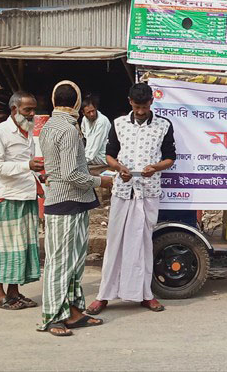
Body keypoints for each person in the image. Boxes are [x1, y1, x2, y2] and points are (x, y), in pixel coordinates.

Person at [87, 83, 176, 315]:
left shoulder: (163, 125)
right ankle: (103, 295)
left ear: (151, 103)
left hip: (148, 190)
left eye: (144, 107)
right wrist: (119, 168)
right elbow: (109, 155)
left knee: (144, 243)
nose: (140, 111)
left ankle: (145, 295)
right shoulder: (118, 124)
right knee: (115, 243)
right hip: (123, 190)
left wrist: (154, 168)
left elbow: (170, 158)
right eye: (137, 107)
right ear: (130, 102)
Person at [38, 81, 112, 336]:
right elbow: (71, 173)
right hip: (65, 200)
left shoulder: (50, 125)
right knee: (60, 263)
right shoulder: (68, 130)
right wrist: (101, 180)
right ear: (78, 103)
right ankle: (54, 317)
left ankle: (73, 311)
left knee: (73, 262)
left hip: (72, 200)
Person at [0, 91, 44, 311]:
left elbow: (30, 164)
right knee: (6, 248)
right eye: (27, 110)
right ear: (14, 110)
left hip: (27, 194)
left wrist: (39, 176)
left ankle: (14, 292)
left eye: (33, 109)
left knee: (21, 248)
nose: (31, 114)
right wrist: (27, 167)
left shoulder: (29, 133)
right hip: (9, 196)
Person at [80, 94, 111, 167]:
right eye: (88, 112)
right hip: (90, 154)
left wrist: (82, 161)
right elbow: (86, 136)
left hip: (102, 156)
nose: (91, 114)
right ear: (83, 113)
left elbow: (95, 147)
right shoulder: (84, 119)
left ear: (96, 108)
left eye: (93, 111)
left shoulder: (102, 121)